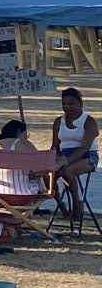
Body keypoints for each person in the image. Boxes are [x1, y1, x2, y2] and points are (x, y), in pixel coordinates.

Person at [49, 88, 99, 218]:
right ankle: (61, 205)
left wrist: (66, 161)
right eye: (64, 104)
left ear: (80, 104)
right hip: (64, 154)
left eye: (71, 104)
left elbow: (84, 147)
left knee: (68, 171)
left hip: (87, 156)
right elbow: (55, 146)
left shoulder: (89, 121)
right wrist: (51, 160)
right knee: (48, 175)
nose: (67, 107)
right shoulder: (59, 121)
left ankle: (77, 203)